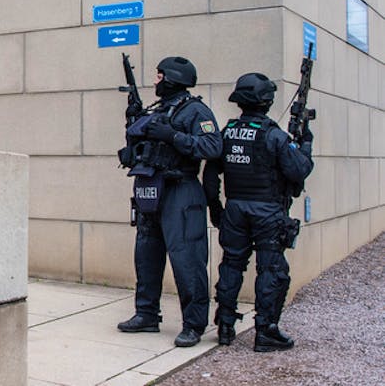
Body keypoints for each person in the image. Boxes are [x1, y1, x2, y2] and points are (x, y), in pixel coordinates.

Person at [203, 72, 314, 352]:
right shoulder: (274, 135)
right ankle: (266, 330)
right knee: (272, 269)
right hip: (267, 210)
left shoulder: (227, 132)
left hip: (235, 208)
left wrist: (216, 208)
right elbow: (299, 169)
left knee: (231, 265)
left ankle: (225, 325)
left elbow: (211, 175)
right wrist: (306, 144)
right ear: (266, 101)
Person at [116, 56, 221, 347]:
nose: (155, 81)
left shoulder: (196, 111)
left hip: (181, 190)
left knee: (187, 259)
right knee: (146, 255)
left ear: (173, 78)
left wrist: (173, 136)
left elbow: (213, 146)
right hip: (151, 189)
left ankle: (194, 324)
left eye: (160, 76)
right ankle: (146, 314)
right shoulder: (156, 109)